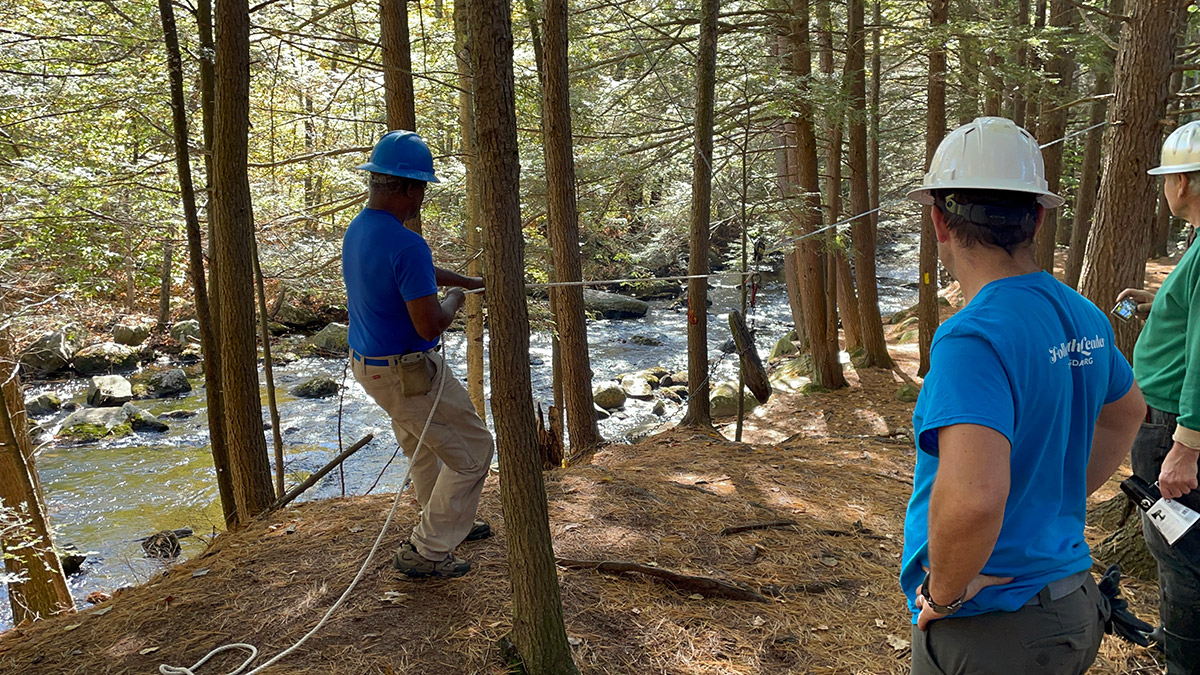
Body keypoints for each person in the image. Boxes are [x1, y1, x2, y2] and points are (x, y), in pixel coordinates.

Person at [901, 116, 1146, 674]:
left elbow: (975, 498)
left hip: (995, 627)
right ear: (1036, 216)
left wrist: (944, 594)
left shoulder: (972, 335)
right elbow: (1127, 413)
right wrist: (1056, 493)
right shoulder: (1080, 313)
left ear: (939, 219)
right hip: (1070, 605)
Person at [342, 130, 493, 579]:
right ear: (408, 187)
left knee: (426, 448)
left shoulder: (361, 229)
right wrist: (456, 301)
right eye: (422, 188)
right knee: (474, 452)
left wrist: (463, 282)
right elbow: (430, 323)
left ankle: (440, 519)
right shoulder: (407, 242)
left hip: (372, 366)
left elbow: (413, 275)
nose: (421, 198)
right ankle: (427, 551)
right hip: (408, 371)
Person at [1116, 118, 1200, 673]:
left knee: (1181, 559)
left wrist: (1186, 443)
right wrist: (1157, 306)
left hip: (1172, 425)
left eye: (1170, 176)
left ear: (1188, 182)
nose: (1165, 187)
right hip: (1169, 421)